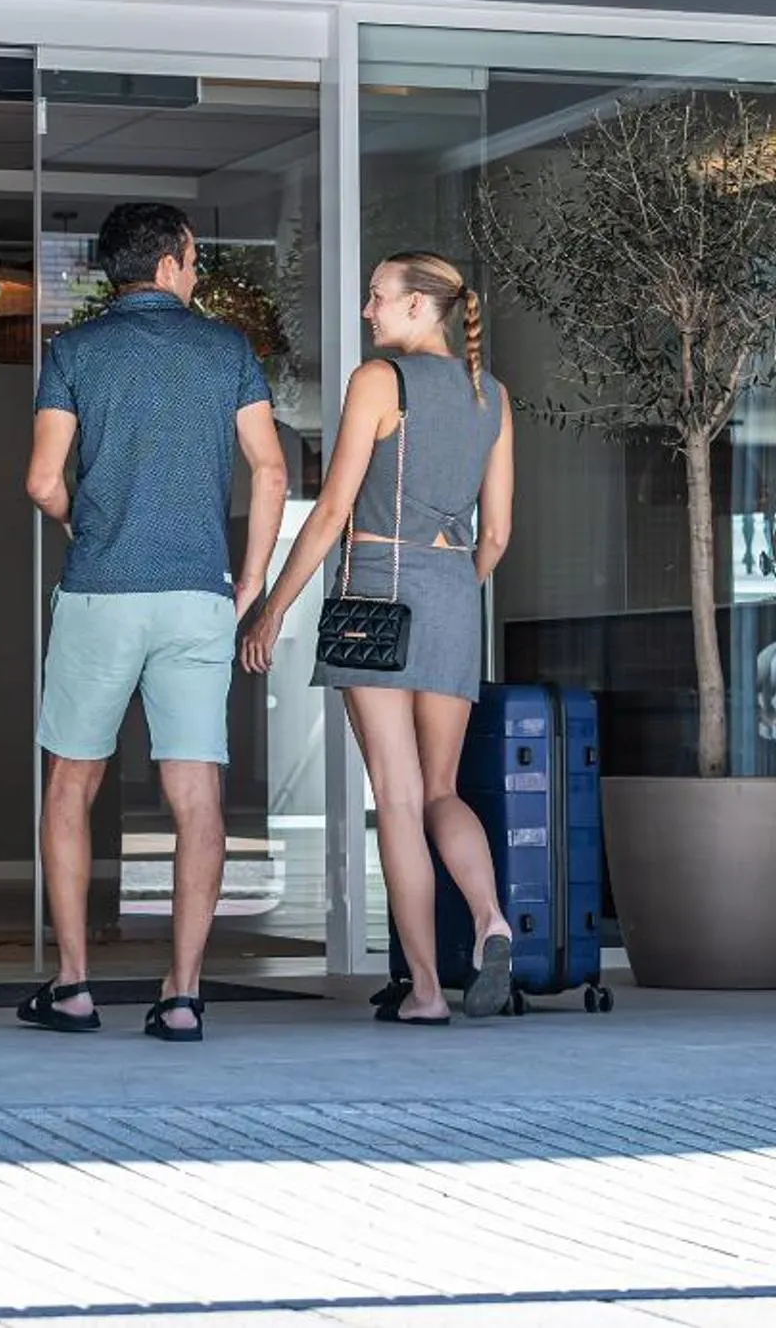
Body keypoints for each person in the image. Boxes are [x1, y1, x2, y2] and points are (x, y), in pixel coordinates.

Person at [22, 203, 289, 1044]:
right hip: (196, 597)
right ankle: (182, 995)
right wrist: (250, 581)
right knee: (196, 795)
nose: (198, 268)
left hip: (100, 592)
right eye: (195, 256)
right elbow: (271, 471)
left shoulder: (74, 352)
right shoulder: (227, 351)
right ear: (171, 263)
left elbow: (41, 481)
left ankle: (73, 985)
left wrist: (81, 521)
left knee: (71, 784)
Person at [242, 252, 517, 1024]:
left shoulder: (378, 381)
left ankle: (426, 992)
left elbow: (332, 512)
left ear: (420, 306)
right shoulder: (493, 396)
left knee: (397, 799)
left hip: (377, 593)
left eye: (377, 297)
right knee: (442, 791)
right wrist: (450, 591)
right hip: (454, 593)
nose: (368, 311)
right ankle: (491, 918)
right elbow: (497, 534)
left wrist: (273, 608)